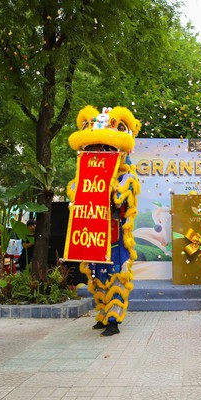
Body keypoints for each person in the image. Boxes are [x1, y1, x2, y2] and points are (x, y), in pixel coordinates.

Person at [67, 105, 141, 337]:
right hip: (93, 234)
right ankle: (102, 313)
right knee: (97, 276)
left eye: (105, 149)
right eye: (95, 149)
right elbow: (75, 198)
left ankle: (114, 319)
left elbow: (122, 202)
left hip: (115, 236)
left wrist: (111, 191)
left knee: (116, 276)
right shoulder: (80, 179)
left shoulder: (126, 177)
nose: (99, 153)